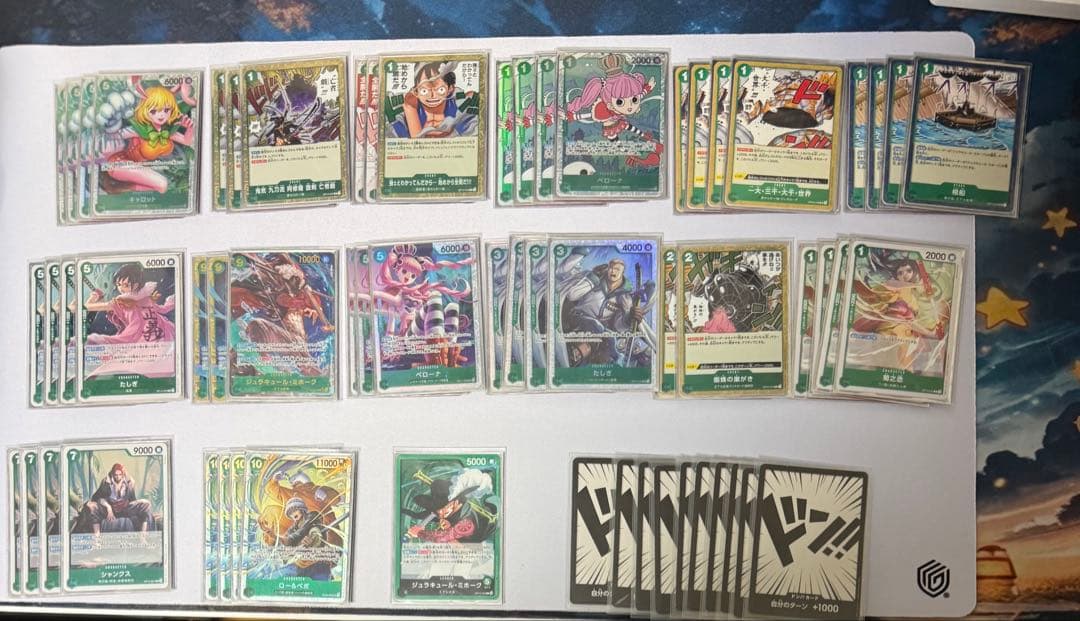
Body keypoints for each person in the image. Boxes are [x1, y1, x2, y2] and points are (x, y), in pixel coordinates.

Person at [558, 254, 654, 366]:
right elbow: (572, 295)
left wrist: (629, 319)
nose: (613, 271)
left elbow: (619, 325)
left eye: (617, 269)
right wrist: (592, 279)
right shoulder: (594, 281)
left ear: (622, 273)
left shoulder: (624, 297)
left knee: (605, 349)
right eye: (611, 268)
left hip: (600, 333)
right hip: (578, 321)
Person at [76, 463, 153, 534]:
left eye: (120, 475)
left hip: (125, 508)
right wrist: (108, 508)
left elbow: (132, 499)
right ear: (112, 474)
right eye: (116, 475)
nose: (118, 477)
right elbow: (99, 498)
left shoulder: (130, 482)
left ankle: (143, 536)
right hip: (109, 509)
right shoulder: (106, 482)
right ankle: (97, 538)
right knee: (91, 506)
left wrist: (131, 506)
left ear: (123, 474)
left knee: (146, 504)